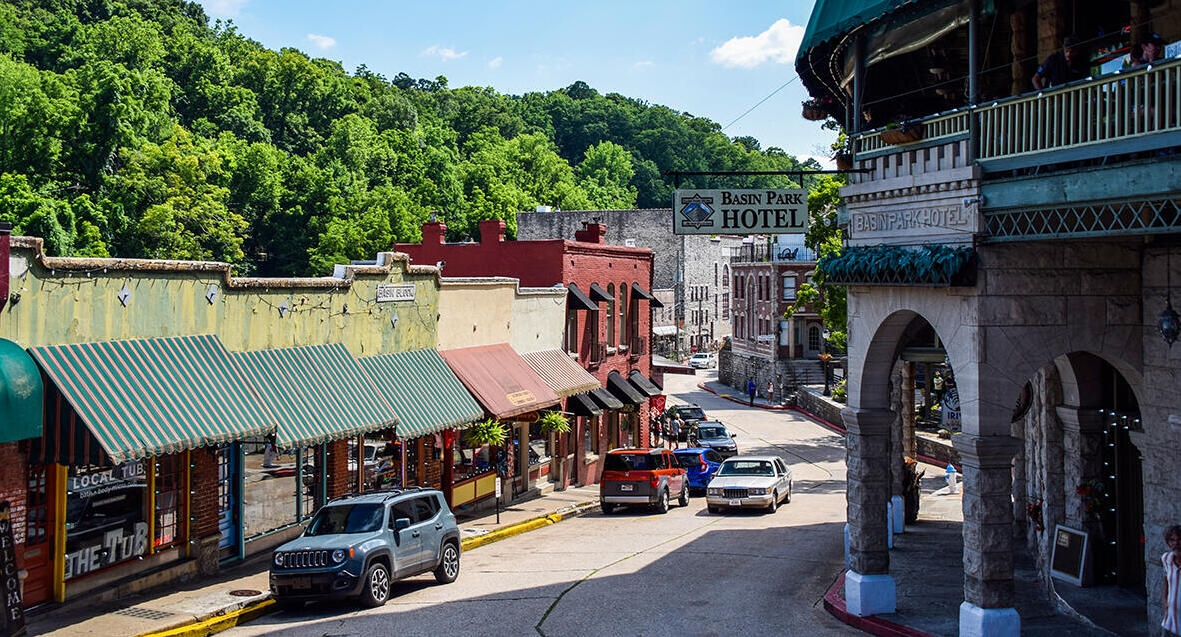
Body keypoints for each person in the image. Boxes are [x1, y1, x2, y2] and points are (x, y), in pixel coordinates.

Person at [1163, 525, 1181, 635]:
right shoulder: (1166, 559)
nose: (1176, 544)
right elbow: (1166, 580)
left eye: (1180, 540)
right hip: (1170, 623)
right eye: (1172, 540)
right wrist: (1164, 601)